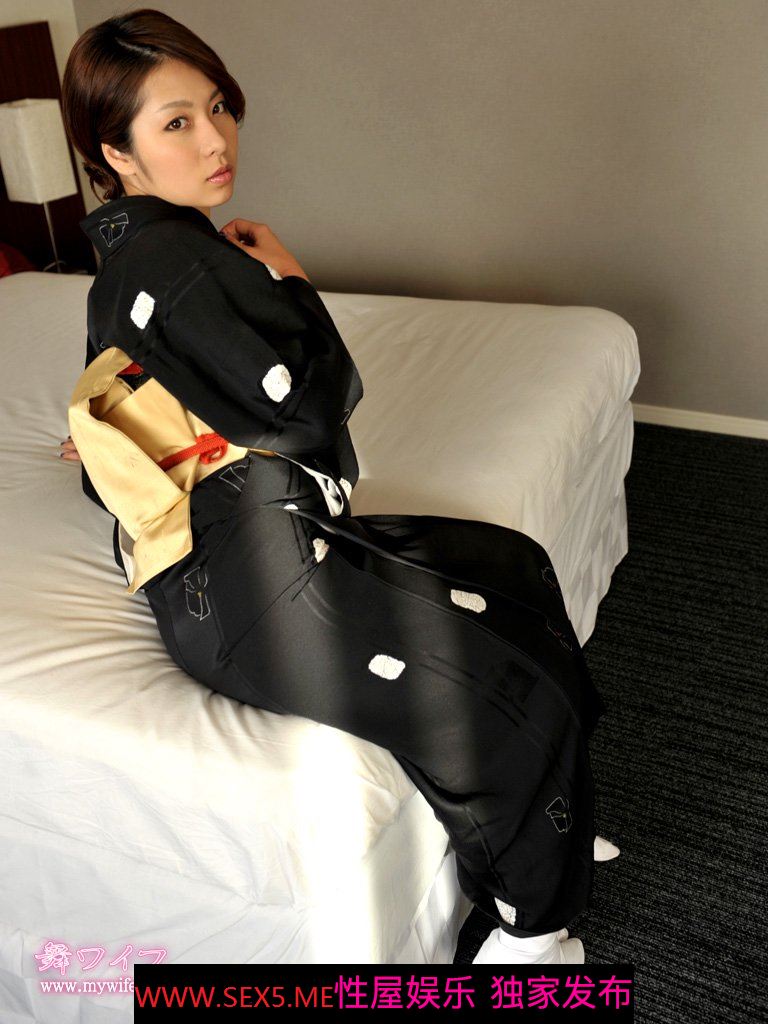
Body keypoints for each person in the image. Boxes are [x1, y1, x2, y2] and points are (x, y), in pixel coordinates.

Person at [60, 8, 619, 965]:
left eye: (218, 108)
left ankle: (551, 825)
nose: (217, 139)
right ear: (117, 152)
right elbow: (310, 407)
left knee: (512, 572)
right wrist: (291, 280)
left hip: (259, 546)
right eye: (177, 123)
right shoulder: (173, 261)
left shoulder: (134, 263)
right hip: (254, 588)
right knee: (488, 687)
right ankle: (533, 932)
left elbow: (119, 432)